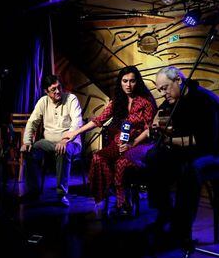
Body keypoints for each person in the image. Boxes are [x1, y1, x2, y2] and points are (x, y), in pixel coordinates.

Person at [63, 66, 157, 214]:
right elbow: (98, 120)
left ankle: (122, 199)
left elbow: (148, 129)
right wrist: (76, 132)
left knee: (121, 163)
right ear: (120, 82)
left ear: (137, 82)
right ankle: (115, 192)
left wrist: (133, 143)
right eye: (125, 81)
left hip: (139, 143)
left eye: (132, 81)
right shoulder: (117, 101)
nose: (128, 85)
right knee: (97, 158)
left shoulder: (145, 102)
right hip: (119, 143)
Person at [145, 66, 219, 247]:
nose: (163, 93)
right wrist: (156, 122)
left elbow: (204, 142)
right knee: (153, 156)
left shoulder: (204, 100)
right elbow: (160, 117)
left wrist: (171, 141)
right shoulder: (174, 99)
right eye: (159, 89)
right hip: (187, 150)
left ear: (178, 80)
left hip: (210, 152)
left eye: (165, 88)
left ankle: (180, 230)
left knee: (190, 170)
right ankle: (164, 212)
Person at [20, 75, 83, 207]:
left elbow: (77, 123)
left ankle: (61, 194)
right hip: (48, 143)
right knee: (32, 149)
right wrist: (27, 142)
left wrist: (65, 140)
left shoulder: (71, 99)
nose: (58, 91)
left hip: (71, 142)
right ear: (46, 91)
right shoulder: (43, 101)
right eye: (53, 89)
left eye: (59, 87)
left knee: (62, 150)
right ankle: (33, 191)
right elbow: (32, 122)